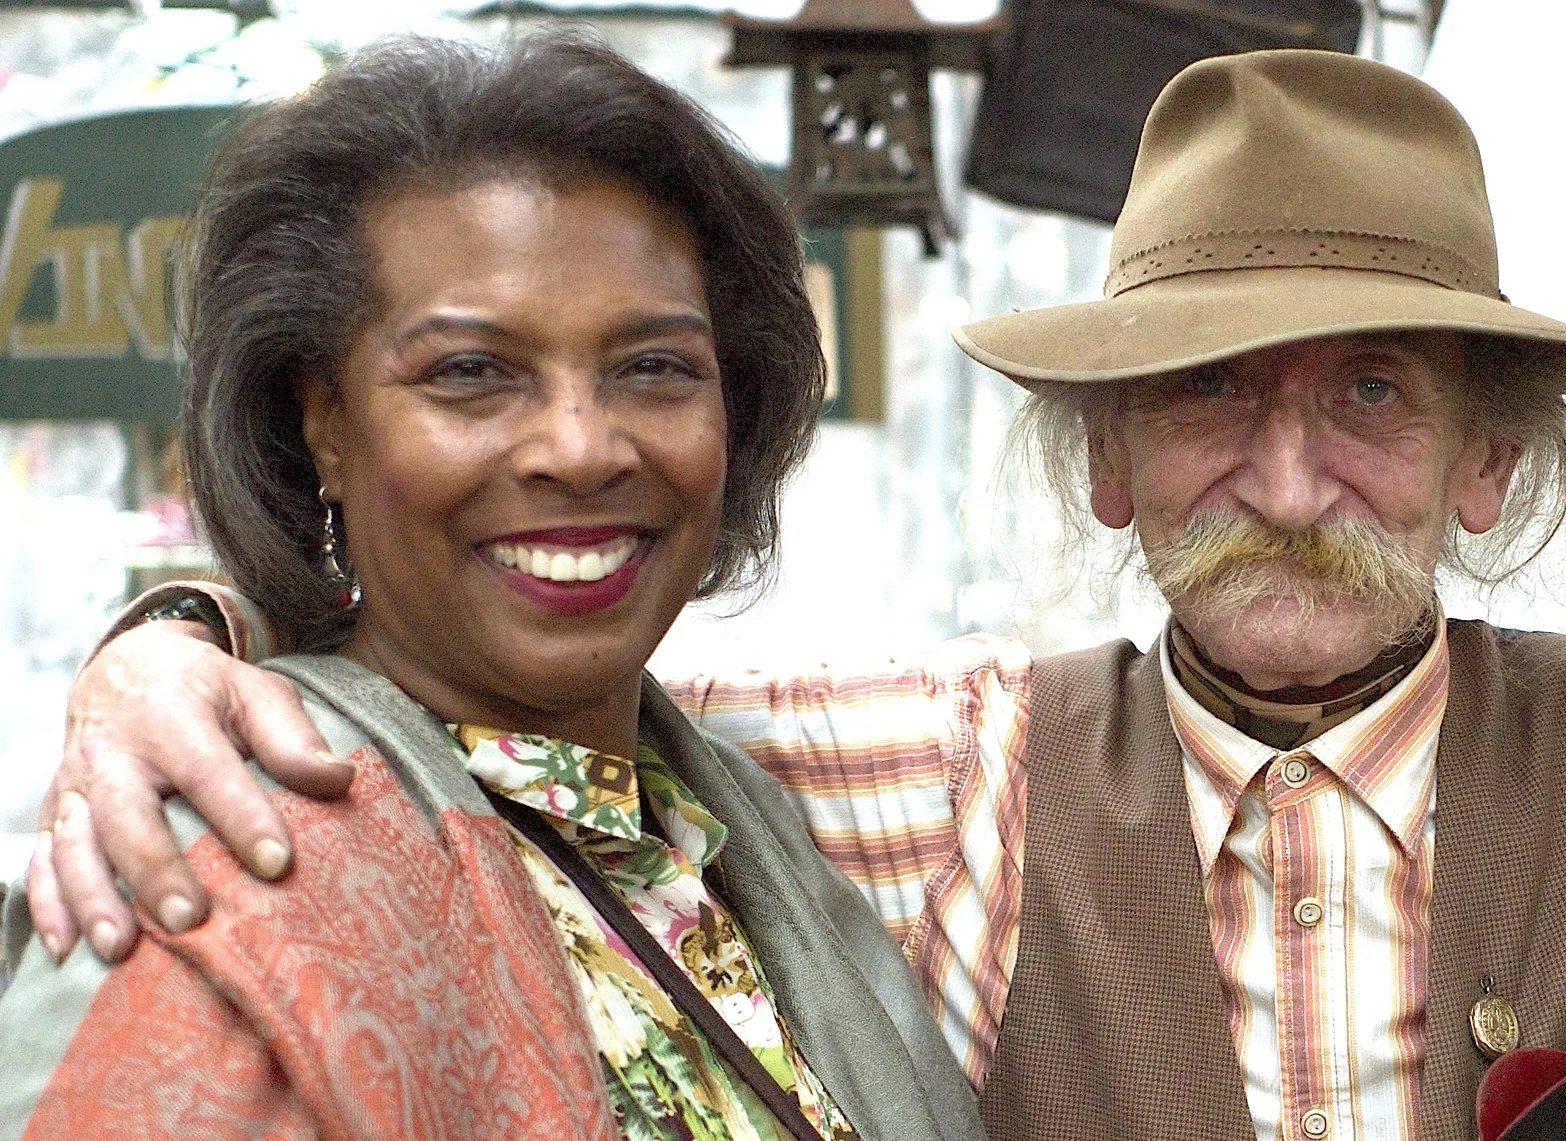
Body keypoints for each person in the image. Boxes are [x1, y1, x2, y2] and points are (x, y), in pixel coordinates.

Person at [26, 49, 1566, 1140]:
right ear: (1106, 462)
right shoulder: (905, 777)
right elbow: (524, 699)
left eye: (1372, 400)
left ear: (1487, 459)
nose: (1288, 478)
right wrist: (190, 643)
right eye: (1208, 397)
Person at [0, 31, 981, 1141]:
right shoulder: (208, 870)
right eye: (471, 372)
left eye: (654, 367)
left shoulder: (733, 817)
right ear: (322, 421)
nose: (581, 446)